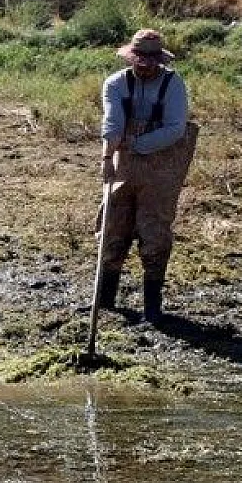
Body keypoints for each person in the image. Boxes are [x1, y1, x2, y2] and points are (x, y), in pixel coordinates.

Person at [96, 29, 200, 324]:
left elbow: (175, 128)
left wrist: (138, 144)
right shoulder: (115, 83)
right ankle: (105, 301)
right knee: (112, 227)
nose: (146, 66)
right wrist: (107, 158)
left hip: (163, 165)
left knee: (154, 233)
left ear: (160, 60)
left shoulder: (173, 84)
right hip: (123, 164)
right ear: (132, 58)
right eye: (140, 60)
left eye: (152, 61)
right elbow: (112, 123)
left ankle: (152, 308)